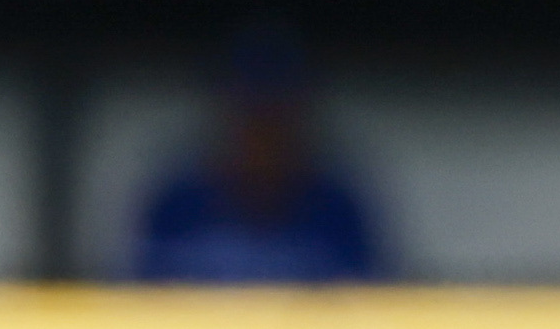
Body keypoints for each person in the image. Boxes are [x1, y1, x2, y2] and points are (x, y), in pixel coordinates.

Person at [127, 25, 386, 284]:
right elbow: (140, 299)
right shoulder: (178, 204)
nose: (263, 129)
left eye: (277, 111)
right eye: (251, 111)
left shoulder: (337, 207)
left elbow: (370, 303)